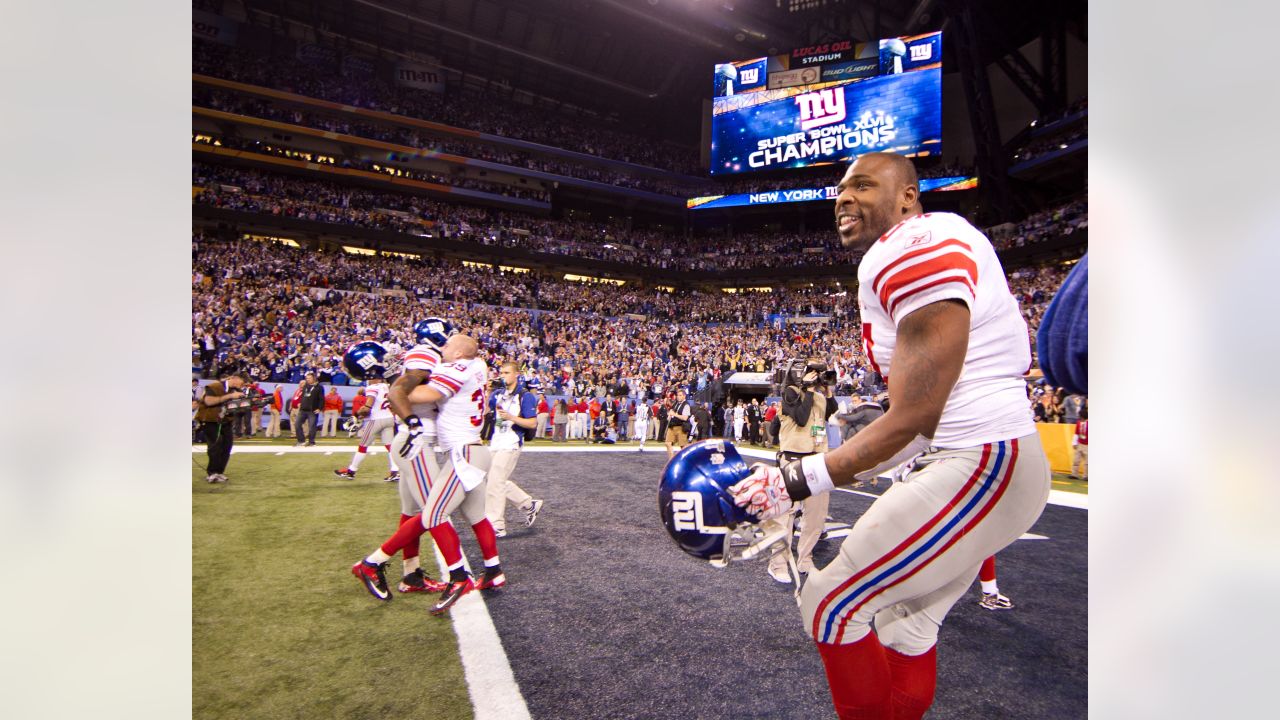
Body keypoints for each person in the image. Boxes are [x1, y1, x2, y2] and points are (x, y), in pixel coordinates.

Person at [727, 153, 1050, 720]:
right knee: (906, 629)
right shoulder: (924, 242)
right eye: (840, 188)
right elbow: (918, 416)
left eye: (863, 185)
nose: (843, 198)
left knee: (830, 603)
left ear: (908, 196)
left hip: (981, 460)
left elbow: (915, 419)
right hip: (985, 458)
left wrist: (794, 481)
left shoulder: (913, 243)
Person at [352, 334, 504, 615]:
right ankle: (483, 572)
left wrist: (392, 385)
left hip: (453, 450)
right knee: (451, 514)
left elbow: (420, 393)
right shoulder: (474, 366)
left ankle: (406, 571)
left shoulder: (452, 368)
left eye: (447, 345)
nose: (441, 348)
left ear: (458, 354)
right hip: (446, 446)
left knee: (428, 514)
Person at [763, 358, 837, 584]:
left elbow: (830, 412)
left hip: (817, 459)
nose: (816, 376)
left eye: (819, 373)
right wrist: (806, 388)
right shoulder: (790, 393)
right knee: (786, 515)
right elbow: (802, 418)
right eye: (813, 372)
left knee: (816, 516)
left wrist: (828, 390)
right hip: (794, 459)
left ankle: (805, 558)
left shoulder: (820, 396)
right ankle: (777, 564)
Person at [485, 363, 545, 538]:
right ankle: (528, 504)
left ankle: (496, 524)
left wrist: (512, 417)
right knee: (494, 480)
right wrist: (489, 392)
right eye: (501, 372)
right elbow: (486, 410)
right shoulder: (497, 394)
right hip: (496, 441)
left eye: (507, 372)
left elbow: (532, 423)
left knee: (495, 482)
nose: (503, 375)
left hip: (511, 442)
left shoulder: (525, 396)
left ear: (517, 374)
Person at [334, 374, 399, 482]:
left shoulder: (372, 387)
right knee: (390, 446)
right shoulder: (385, 386)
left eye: (369, 378)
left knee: (363, 446)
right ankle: (395, 471)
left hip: (376, 420)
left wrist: (356, 414)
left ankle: (351, 471)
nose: (367, 380)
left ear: (374, 378)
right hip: (389, 418)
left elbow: (369, 405)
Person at [195, 372, 249, 483]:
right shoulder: (215, 386)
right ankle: (212, 472)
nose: (243, 386)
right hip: (210, 420)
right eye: (242, 383)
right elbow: (208, 401)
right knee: (215, 446)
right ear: (235, 378)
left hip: (226, 421)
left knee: (227, 446)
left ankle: (219, 472)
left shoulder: (237, 391)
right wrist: (230, 396)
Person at [295, 373, 323, 446]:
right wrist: (300, 403)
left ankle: (311, 442)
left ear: (314, 378)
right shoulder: (305, 386)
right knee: (297, 424)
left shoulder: (319, 387)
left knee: (312, 427)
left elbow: (321, 399)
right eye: (307, 378)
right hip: (303, 409)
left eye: (309, 378)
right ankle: (301, 441)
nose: (307, 380)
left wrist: (319, 408)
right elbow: (303, 396)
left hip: (312, 410)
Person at [665, 390, 692, 461]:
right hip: (672, 426)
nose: (678, 397)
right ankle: (671, 460)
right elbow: (671, 412)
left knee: (683, 446)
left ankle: (687, 461)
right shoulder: (676, 403)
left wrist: (675, 414)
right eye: (678, 395)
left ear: (684, 396)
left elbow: (685, 418)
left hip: (681, 427)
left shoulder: (686, 405)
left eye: (680, 395)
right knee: (668, 443)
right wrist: (670, 414)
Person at [1071, 407, 1089, 480]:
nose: (1079, 417)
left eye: (1080, 416)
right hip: (1080, 443)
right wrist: (1074, 443)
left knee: (1087, 462)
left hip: (1087, 445)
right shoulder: (1078, 423)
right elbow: (1076, 433)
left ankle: (1086, 476)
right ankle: (1074, 474)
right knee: (1076, 460)